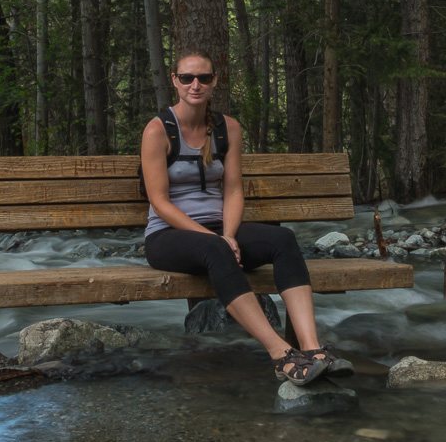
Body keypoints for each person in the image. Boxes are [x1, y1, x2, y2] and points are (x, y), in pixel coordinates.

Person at [141, 50, 352, 385]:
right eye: (187, 78)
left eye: (204, 78)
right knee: (216, 249)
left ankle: (312, 348)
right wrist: (216, 240)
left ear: (214, 81)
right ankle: (281, 354)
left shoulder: (228, 128)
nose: (195, 85)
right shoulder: (158, 130)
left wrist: (228, 233)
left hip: (217, 231)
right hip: (167, 235)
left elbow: (233, 190)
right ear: (174, 81)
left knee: (282, 239)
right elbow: (160, 202)